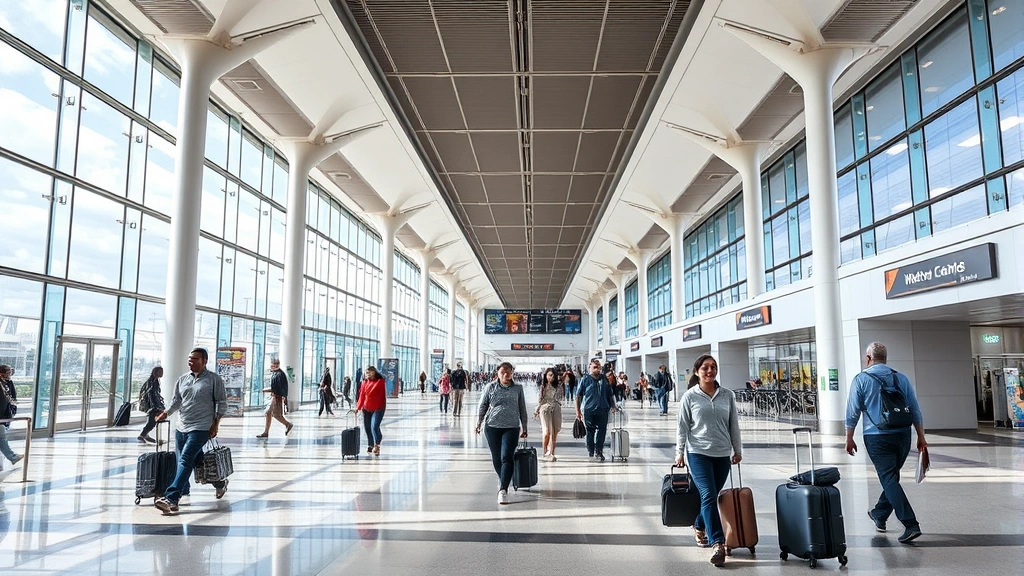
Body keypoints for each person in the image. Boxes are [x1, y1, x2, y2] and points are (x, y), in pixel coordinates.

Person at [845, 342, 927, 544]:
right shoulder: (901, 378)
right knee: (891, 476)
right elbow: (915, 409)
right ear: (886, 358)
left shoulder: (861, 379)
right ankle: (879, 514)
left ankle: (911, 524)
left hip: (877, 436)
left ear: (868, 358)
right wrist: (921, 436)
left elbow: (853, 411)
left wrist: (849, 437)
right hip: (902, 436)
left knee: (888, 478)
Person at [675, 354, 743, 567]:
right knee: (708, 494)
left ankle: (698, 525)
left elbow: (734, 425)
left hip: (722, 454)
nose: (710, 371)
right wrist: (679, 452)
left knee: (711, 497)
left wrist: (737, 449)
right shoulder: (690, 396)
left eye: (713, 367)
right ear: (697, 372)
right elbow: (682, 427)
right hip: (698, 453)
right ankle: (718, 544)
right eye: (705, 368)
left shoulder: (727, 395)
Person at [153, 348, 228, 514]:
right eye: (189, 359)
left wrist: (215, 424)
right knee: (197, 461)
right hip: (181, 427)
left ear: (204, 361)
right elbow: (176, 401)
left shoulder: (214, 380)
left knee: (186, 459)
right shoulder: (182, 380)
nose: (190, 362)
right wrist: (165, 413)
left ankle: (171, 498)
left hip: (201, 428)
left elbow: (222, 403)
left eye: (195, 359)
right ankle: (220, 483)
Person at [475, 362, 528, 505]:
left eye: (509, 372)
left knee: (507, 456)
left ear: (512, 373)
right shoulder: (490, 387)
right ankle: (504, 478)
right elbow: (483, 405)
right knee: (497, 459)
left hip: (511, 427)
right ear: (498, 372)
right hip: (492, 427)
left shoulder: (518, 388)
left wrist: (525, 426)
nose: (506, 374)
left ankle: (503, 489)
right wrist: (478, 422)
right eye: (503, 371)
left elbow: (522, 408)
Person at [575, 359, 618, 462]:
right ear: (590, 368)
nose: (597, 369)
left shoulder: (604, 379)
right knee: (590, 431)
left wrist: (613, 406)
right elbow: (578, 396)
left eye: (599, 367)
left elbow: (610, 394)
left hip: (603, 409)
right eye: (595, 367)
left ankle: (599, 451)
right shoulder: (585, 379)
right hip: (589, 410)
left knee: (601, 431)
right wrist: (578, 411)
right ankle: (591, 450)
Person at [356, 365, 387, 456]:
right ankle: (370, 444)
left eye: (369, 373)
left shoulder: (380, 382)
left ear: (374, 373)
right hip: (366, 408)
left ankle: (377, 445)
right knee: (367, 428)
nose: (367, 375)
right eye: (366, 373)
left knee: (374, 426)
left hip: (378, 408)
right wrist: (358, 408)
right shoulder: (364, 382)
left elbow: (374, 392)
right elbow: (361, 395)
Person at [257, 360, 293, 438]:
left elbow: (278, 388)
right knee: (268, 412)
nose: (271, 367)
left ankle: (288, 424)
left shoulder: (279, 374)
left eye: (272, 365)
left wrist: (267, 390)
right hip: (275, 396)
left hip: (277, 397)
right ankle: (266, 432)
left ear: (277, 365)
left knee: (277, 415)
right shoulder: (276, 374)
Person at [535, 367, 564, 462]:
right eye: (549, 375)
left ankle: (551, 452)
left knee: (555, 432)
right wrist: (537, 409)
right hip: (545, 409)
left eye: (553, 375)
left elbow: (560, 397)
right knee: (547, 431)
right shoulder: (543, 386)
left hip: (556, 408)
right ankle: (544, 451)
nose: (551, 377)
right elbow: (540, 400)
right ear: (546, 376)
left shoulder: (559, 386)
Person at [0, 370, 23, 466]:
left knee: (1, 436)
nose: (9, 375)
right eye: (8, 373)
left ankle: (12, 457)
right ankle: (12, 457)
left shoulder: (6, 383)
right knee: (1, 437)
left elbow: (10, 398)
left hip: (3, 416)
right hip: (2, 417)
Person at [137, 366, 165, 443]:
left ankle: (145, 434)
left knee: (152, 421)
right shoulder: (152, 382)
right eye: (160, 372)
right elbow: (151, 395)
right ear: (155, 372)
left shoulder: (154, 381)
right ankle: (143, 434)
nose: (162, 373)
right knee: (152, 422)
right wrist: (156, 406)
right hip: (152, 406)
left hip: (152, 405)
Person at [0, 365, 17, 430]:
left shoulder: (9, 382)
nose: (10, 374)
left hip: (7, 411)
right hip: (2, 410)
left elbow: (13, 396)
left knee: (4, 429)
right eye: (8, 372)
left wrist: (14, 408)